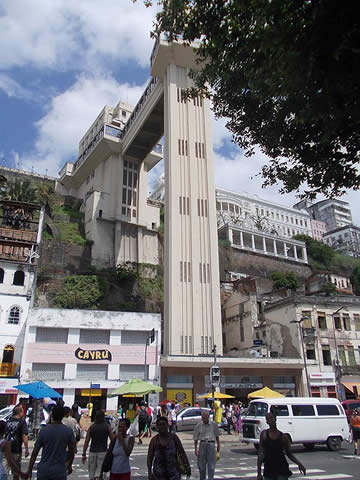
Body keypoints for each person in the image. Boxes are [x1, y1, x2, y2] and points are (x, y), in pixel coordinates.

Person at [27, 405, 75, 480]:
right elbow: (72, 452)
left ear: (52, 415)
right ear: (63, 416)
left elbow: (35, 452)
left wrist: (29, 470)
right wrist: (69, 465)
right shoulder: (68, 431)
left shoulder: (44, 430)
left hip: (44, 470)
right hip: (59, 470)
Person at [257, 412, 306, 480]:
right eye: (268, 419)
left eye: (271, 418)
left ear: (275, 419)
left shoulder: (283, 436)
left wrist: (299, 464)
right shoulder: (264, 434)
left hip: (281, 468)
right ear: (267, 422)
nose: (270, 420)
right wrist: (259, 474)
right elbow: (260, 454)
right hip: (269, 468)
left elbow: (289, 454)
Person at [82, 409, 114, 480]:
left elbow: (86, 441)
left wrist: (84, 453)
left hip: (92, 452)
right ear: (103, 417)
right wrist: (110, 450)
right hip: (103, 452)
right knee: (100, 474)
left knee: (92, 474)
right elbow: (113, 439)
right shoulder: (107, 426)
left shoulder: (92, 427)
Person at [193, 410, 220, 480]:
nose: (204, 419)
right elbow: (195, 437)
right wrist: (196, 449)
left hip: (211, 444)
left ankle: (211, 478)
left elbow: (217, 436)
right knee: (201, 465)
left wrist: (218, 448)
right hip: (202, 444)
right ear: (201, 418)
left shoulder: (213, 424)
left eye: (206, 418)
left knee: (211, 465)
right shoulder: (199, 425)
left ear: (208, 417)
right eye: (203, 418)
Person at [5, 406, 29, 480]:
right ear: (20, 412)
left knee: (5, 469)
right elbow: (24, 436)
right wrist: (26, 449)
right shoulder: (22, 422)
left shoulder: (8, 421)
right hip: (16, 448)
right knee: (16, 471)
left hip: (6, 447)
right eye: (22, 411)